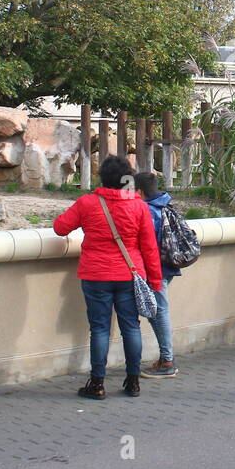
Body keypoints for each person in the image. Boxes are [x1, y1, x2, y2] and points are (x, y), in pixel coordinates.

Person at [53, 155, 163, 399]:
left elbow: (60, 227)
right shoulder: (139, 207)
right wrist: (155, 282)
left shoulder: (87, 203)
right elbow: (149, 248)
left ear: (102, 177)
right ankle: (133, 381)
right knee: (131, 327)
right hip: (130, 275)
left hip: (96, 275)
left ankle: (97, 384)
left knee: (100, 329)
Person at [135, 170, 179, 378]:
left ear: (139, 191)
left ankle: (167, 361)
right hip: (168, 266)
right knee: (156, 311)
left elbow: (147, 245)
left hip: (155, 270)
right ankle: (164, 359)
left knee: (159, 312)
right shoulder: (165, 205)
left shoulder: (147, 211)